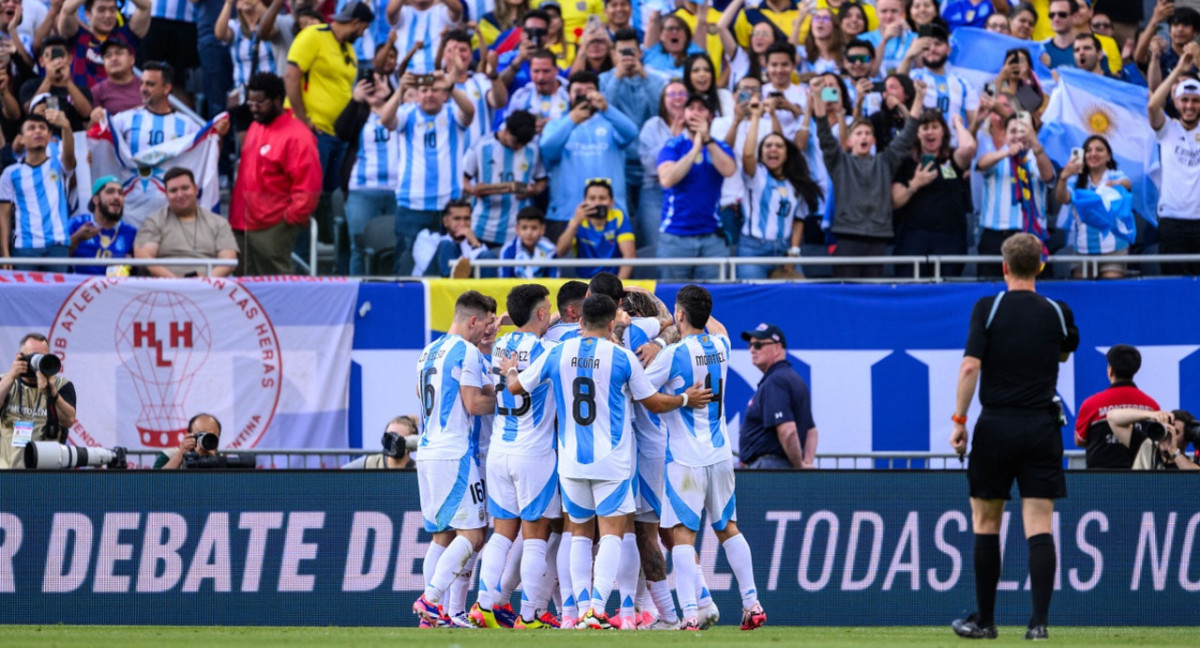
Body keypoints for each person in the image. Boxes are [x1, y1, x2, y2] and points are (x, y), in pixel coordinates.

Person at [497, 293, 712, 630]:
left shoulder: (557, 352)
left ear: (580, 321)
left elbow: (514, 386)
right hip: (612, 460)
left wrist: (510, 370)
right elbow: (653, 403)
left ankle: (578, 612)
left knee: (579, 535)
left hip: (570, 461)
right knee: (614, 535)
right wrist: (686, 397)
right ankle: (600, 609)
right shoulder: (622, 357)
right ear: (612, 323)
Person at [950, 232, 1080, 641]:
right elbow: (1062, 351)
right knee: (1039, 525)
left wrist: (959, 419)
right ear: (1040, 266)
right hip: (1042, 426)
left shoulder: (989, 308)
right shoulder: (1057, 311)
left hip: (997, 425)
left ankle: (985, 621)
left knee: (987, 523)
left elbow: (971, 366)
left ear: (1004, 267)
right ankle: (1038, 624)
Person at [643, 285, 766, 632]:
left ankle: (690, 615)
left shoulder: (672, 355)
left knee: (682, 535)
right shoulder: (722, 347)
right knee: (728, 527)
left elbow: (645, 396)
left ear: (679, 315)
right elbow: (721, 328)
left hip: (685, 459)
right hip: (720, 455)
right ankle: (752, 603)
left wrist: (681, 397)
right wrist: (698, 309)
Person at [468, 284, 559, 630]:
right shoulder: (548, 349)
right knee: (536, 536)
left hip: (499, 452)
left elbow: (527, 329)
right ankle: (529, 615)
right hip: (533, 453)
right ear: (540, 314)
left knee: (502, 534)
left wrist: (510, 319)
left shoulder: (502, 344)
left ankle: (483, 604)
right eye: (546, 309)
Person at [411, 291, 497, 628]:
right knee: (474, 533)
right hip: (454, 452)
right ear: (473, 321)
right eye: (485, 324)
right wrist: (509, 398)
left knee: (441, 536)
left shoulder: (428, 351)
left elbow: (421, 393)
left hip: (428, 449)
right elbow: (474, 405)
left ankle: (433, 615)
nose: (485, 332)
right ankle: (431, 600)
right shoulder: (467, 351)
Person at [285, 1, 372, 247]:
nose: (363, 34)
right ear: (355, 23)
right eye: (363, 29)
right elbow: (291, 75)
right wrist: (303, 121)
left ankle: (329, 258)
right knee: (306, 197)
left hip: (338, 136)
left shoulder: (349, 50)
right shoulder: (314, 35)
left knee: (330, 201)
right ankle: (300, 259)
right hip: (314, 133)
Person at [816, 80, 922, 279]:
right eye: (858, 133)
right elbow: (824, 137)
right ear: (849, 140)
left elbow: (908, 136)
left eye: (868, 133)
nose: (863, 136)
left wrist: (920, 97)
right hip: (847, 236)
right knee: (847, 295)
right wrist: (817, 98)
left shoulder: (885, 161)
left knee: (872, 294)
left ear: (873, 140)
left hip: (877, 237)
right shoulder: (839, 162)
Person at [230, 72, 321, 276]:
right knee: (243, 289)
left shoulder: (298, 135)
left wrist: (289, 218)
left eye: (259, 102)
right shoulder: (256, 126)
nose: (253, 108)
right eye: (250, 102)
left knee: (276, 287)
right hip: (242, 221)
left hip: (272, 225)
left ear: (278, 100)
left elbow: (308, 185)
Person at [392, 68, 475, 275]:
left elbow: (470, 112)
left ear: (443, 93)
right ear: (417, 93)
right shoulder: (407, 113)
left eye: (435, 89)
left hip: (447, 204)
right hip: (412, 203)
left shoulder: (452, 113)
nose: (429, 94)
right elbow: (386, 120)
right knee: (407, 262)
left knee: (445, 262)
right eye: (424, 90)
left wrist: (450, 86)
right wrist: (400, 89)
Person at [540, 70, 638, 242]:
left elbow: (631, 132)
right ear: (568, 95)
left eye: (590, 91)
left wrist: (607, 108)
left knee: (611, 269)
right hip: (566, 215)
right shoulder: (556, 124)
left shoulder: (610, 123)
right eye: (578, 92)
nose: (584, 96)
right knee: (565, 268)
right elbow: (547, 149)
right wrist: (572, 120)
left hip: (611, 215)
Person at [737, 103, 823, 279]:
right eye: (767, 146)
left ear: (787, 154)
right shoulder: (757, 175)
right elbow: (747, 155)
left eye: (779, 146)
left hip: (784, 250)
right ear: (761, 153)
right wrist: (755, 117)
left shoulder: (796, 183)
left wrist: (794, 249)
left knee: (799, 296)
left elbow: (798, 220)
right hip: (753, 250)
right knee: (753, 300)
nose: (773, 149)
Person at [655, 93, 736, 280]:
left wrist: (707, 141)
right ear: (684, 114)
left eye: (701, 109)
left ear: (710, 116)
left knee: (713, 298)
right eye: (691, 108)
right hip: (675, 237)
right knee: (670, 300)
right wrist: (694, 150)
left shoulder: (720, 146)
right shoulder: (673, 145)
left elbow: (729, 170)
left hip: (712, 238)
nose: (696, 113)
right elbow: (667, 179)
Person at [891, 110, 976, 278]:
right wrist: (915, 184)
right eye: (925, 128)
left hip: (950, 238)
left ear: (943, 131)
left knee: (947, 288)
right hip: (914, 238)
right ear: (917, 133)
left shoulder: (951, 159)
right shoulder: (906, 162)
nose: (930, 132)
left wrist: (957, 123)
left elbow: (968, 147)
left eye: (935, 127)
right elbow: (895, 201)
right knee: (911, 288)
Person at [336, 71, 404, 275]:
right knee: (359, 247)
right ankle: (358, 294)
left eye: (380, 82)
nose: (375, 88)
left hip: (398, 191)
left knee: (396, 247)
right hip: (362, 190)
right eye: (369, 84)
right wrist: (355, 101)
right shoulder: (359, 114)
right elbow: (341, 132)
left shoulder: (402, 113)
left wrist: (392, 94)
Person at [975, 113, 1055, 279]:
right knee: (991, 289)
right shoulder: (996, 157)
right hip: (996, 237)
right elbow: (981, 164)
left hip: (1031, 236)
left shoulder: (1037, 158)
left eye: (1024, 131)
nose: (1018, 136)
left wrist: (1035, 144)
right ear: (1004, 135)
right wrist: (1006, 153)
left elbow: (1048, 177)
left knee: (1033, 290)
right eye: (1013, 131)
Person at [600, 28, 666, 216]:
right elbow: (604, 112)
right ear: (613, 54)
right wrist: (618, 77)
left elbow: (660, 112)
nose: (627, 57)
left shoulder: (655, 80)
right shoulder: (604, 80)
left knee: (649, 225)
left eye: (631, 52)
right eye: (622, 52)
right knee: (624, 222)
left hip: (649, 164)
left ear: (640, 53)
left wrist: (643, 76)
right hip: (618, 163)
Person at [0, 112, 74, 273]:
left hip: (57, 245)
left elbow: (70, 158)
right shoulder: (10, 173)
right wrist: (5, 253)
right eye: (31, 128)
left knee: (57, 297)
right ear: (21, 138)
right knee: (23, 297)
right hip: (25, 247)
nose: (37, 131)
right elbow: (4, 215)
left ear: (49, 136)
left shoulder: (58, 165)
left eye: (42, 128)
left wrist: (66, 127)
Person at [133, 167, 239, 277]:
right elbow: (143, 257)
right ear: (166, 195)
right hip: (165, 287)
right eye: (173, 190)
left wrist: (206, 281)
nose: (180, 195)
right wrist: (176, 281)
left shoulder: (218, 222)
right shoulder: (153, 222)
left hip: (209, 287)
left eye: (185, 188)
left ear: (195, 190)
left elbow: (228, 260)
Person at [463, 109, 547, 249]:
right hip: (483, 228)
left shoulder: (533, 150)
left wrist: (533, 191)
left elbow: (542, 181)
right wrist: (473, 190)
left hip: (518, 232)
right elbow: (463, 178)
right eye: (516, 142)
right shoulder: (482, 145)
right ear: (507, 130)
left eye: (523, 143)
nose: (519, 146)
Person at [738, 323, 816, 469]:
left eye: (758, 345)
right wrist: (807, 463)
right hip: (777, 468)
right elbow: (812, 431)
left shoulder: (776, 381)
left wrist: (800, 466)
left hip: (769, 469)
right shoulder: (795, 380)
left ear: (777, 348)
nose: (752, 350)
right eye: (750, 345)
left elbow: (788, 431)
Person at [1149, 54, 1200, 276]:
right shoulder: (1168, 129)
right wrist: (1179, 69)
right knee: (1174, 285)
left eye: (1195, 100)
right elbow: (1152, 106)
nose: (1190, 106)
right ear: (1176, 102)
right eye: (1185, 100)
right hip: (1171, 220)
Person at [1053, 134, 1131, 278]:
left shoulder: (1114, 175)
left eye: (1099, 150)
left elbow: (1127, 184)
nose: (1093, 154)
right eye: (1088, 150)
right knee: (1083, 295)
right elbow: (1061, 199)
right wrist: (1064, 177)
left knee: (1110, 294)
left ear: (1108, 156)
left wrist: (1114, 185)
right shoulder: (1075, 180)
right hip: (1083, 249)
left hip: (1114, 249)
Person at [1074, 344, 1160, 469]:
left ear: (1110, 370)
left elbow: (1080, 440)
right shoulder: (1152, 407)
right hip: (1140, 483)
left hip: (1099, 483)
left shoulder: (1091, 404)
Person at [0, 333, 77, 469]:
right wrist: (12, 375)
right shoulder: (6, 381)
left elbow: (68, 420)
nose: (38, 363)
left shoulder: (61, 385)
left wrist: (52, 394)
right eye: (33, 357)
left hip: (48, 474)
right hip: (8, 474)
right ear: (20, 357)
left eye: (43, 358)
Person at [899, 23, 977, 138]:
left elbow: (973, 123)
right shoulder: (914, 76)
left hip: (954, 150)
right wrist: (909, 56)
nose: (932, 49)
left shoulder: (963, 83)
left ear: (948, 49)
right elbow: (895, 87)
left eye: (938, 44)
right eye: (927, 46)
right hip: (922, 148)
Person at [637, 80, 689, 252]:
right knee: (658, 247)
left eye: (682, 94)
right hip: (655, 192)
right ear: (663, 100)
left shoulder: (696, 125)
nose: (678, 99)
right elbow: (649, 164)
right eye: (672, 94)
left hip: (686, 192)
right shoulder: (653, 125)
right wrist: (672, 141)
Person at [58, 0, 152, 89]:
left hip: (120, 103)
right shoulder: (78, 37)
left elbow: (146, 7)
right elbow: (67, 10)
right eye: (101, 10)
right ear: (88, 14)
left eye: (112, 10)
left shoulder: (126, 37)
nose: (108, 15)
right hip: (83, 102)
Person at [556, 178, 636, 279]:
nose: (597, 203)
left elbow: (629, 256)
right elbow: (560, 251)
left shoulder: (619, 217)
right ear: (584, 201)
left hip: (614, 282)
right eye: (592, 198)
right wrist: (575, 223)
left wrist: (617, 288)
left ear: (612, 202)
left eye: (602, 198)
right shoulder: (577, 220)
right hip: (586, 284)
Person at [19, 36, 94, 132]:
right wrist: (49, 79)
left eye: (59, 55)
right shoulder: (31, 86)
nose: (53, 59)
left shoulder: (81, 89)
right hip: (46, 141)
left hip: (73, 141)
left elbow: (86, 113)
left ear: (70, 59)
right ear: (41, 61)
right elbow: (29, 110)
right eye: (48, 55)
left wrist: (67, 81)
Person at [68, 175, 137, 275]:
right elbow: (55, 260)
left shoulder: (131, 233)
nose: (117, 197)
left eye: (120, 193)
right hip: (79, 288)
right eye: (110, 192)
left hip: (115, 289)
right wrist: (77, 238)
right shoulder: (76, 224)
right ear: (95, 199)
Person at [1103, 408, 1200, 471]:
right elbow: (1112, 418)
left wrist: (1174, 452)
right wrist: (1151, 415)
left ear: (1187, 439)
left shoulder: (1189, 464)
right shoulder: (1145, 446)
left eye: (1175, 432)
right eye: (1167, 429)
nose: (1169, 435)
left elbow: (1196, 479)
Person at [385, 0, 462, 76]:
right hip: (406, 77)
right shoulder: (402, 12)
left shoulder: (442, 11)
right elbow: (390, 12)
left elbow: (457, 9)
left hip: (438, 77)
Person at [498, 206, 559, 278]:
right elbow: (505, 281)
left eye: (534, 228)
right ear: (517, 229)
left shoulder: (550, 250)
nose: (529, 233)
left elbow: (553, 280)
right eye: (524, 228)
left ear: (542, 229)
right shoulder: (508, 250)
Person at [342, 415, 420, 469]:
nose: (393, 441)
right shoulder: (370, 464)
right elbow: (337, 476)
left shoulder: (418, 470)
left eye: (399, 438)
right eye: (389, 436)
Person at [153, 413, 223, 469]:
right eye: (201, 435)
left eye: (211, 436)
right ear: (190, 435)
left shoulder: (222, 460)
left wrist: (211, 459)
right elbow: (155, 481)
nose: (206, 440)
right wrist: (180, 454)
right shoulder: (169, 455)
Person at [90, 39, 142, 114]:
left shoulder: (146, 85)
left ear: (132, 59)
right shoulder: (97, 92)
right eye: (108, 56)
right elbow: (91, 124)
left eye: (119, 53)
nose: (113, 59)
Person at [1040, 0, 1079, 69]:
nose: (1056, 19)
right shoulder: (1040, 49)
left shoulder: (1089, 49)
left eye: (1062, 14)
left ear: (1075, 17)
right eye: (1052, 15)